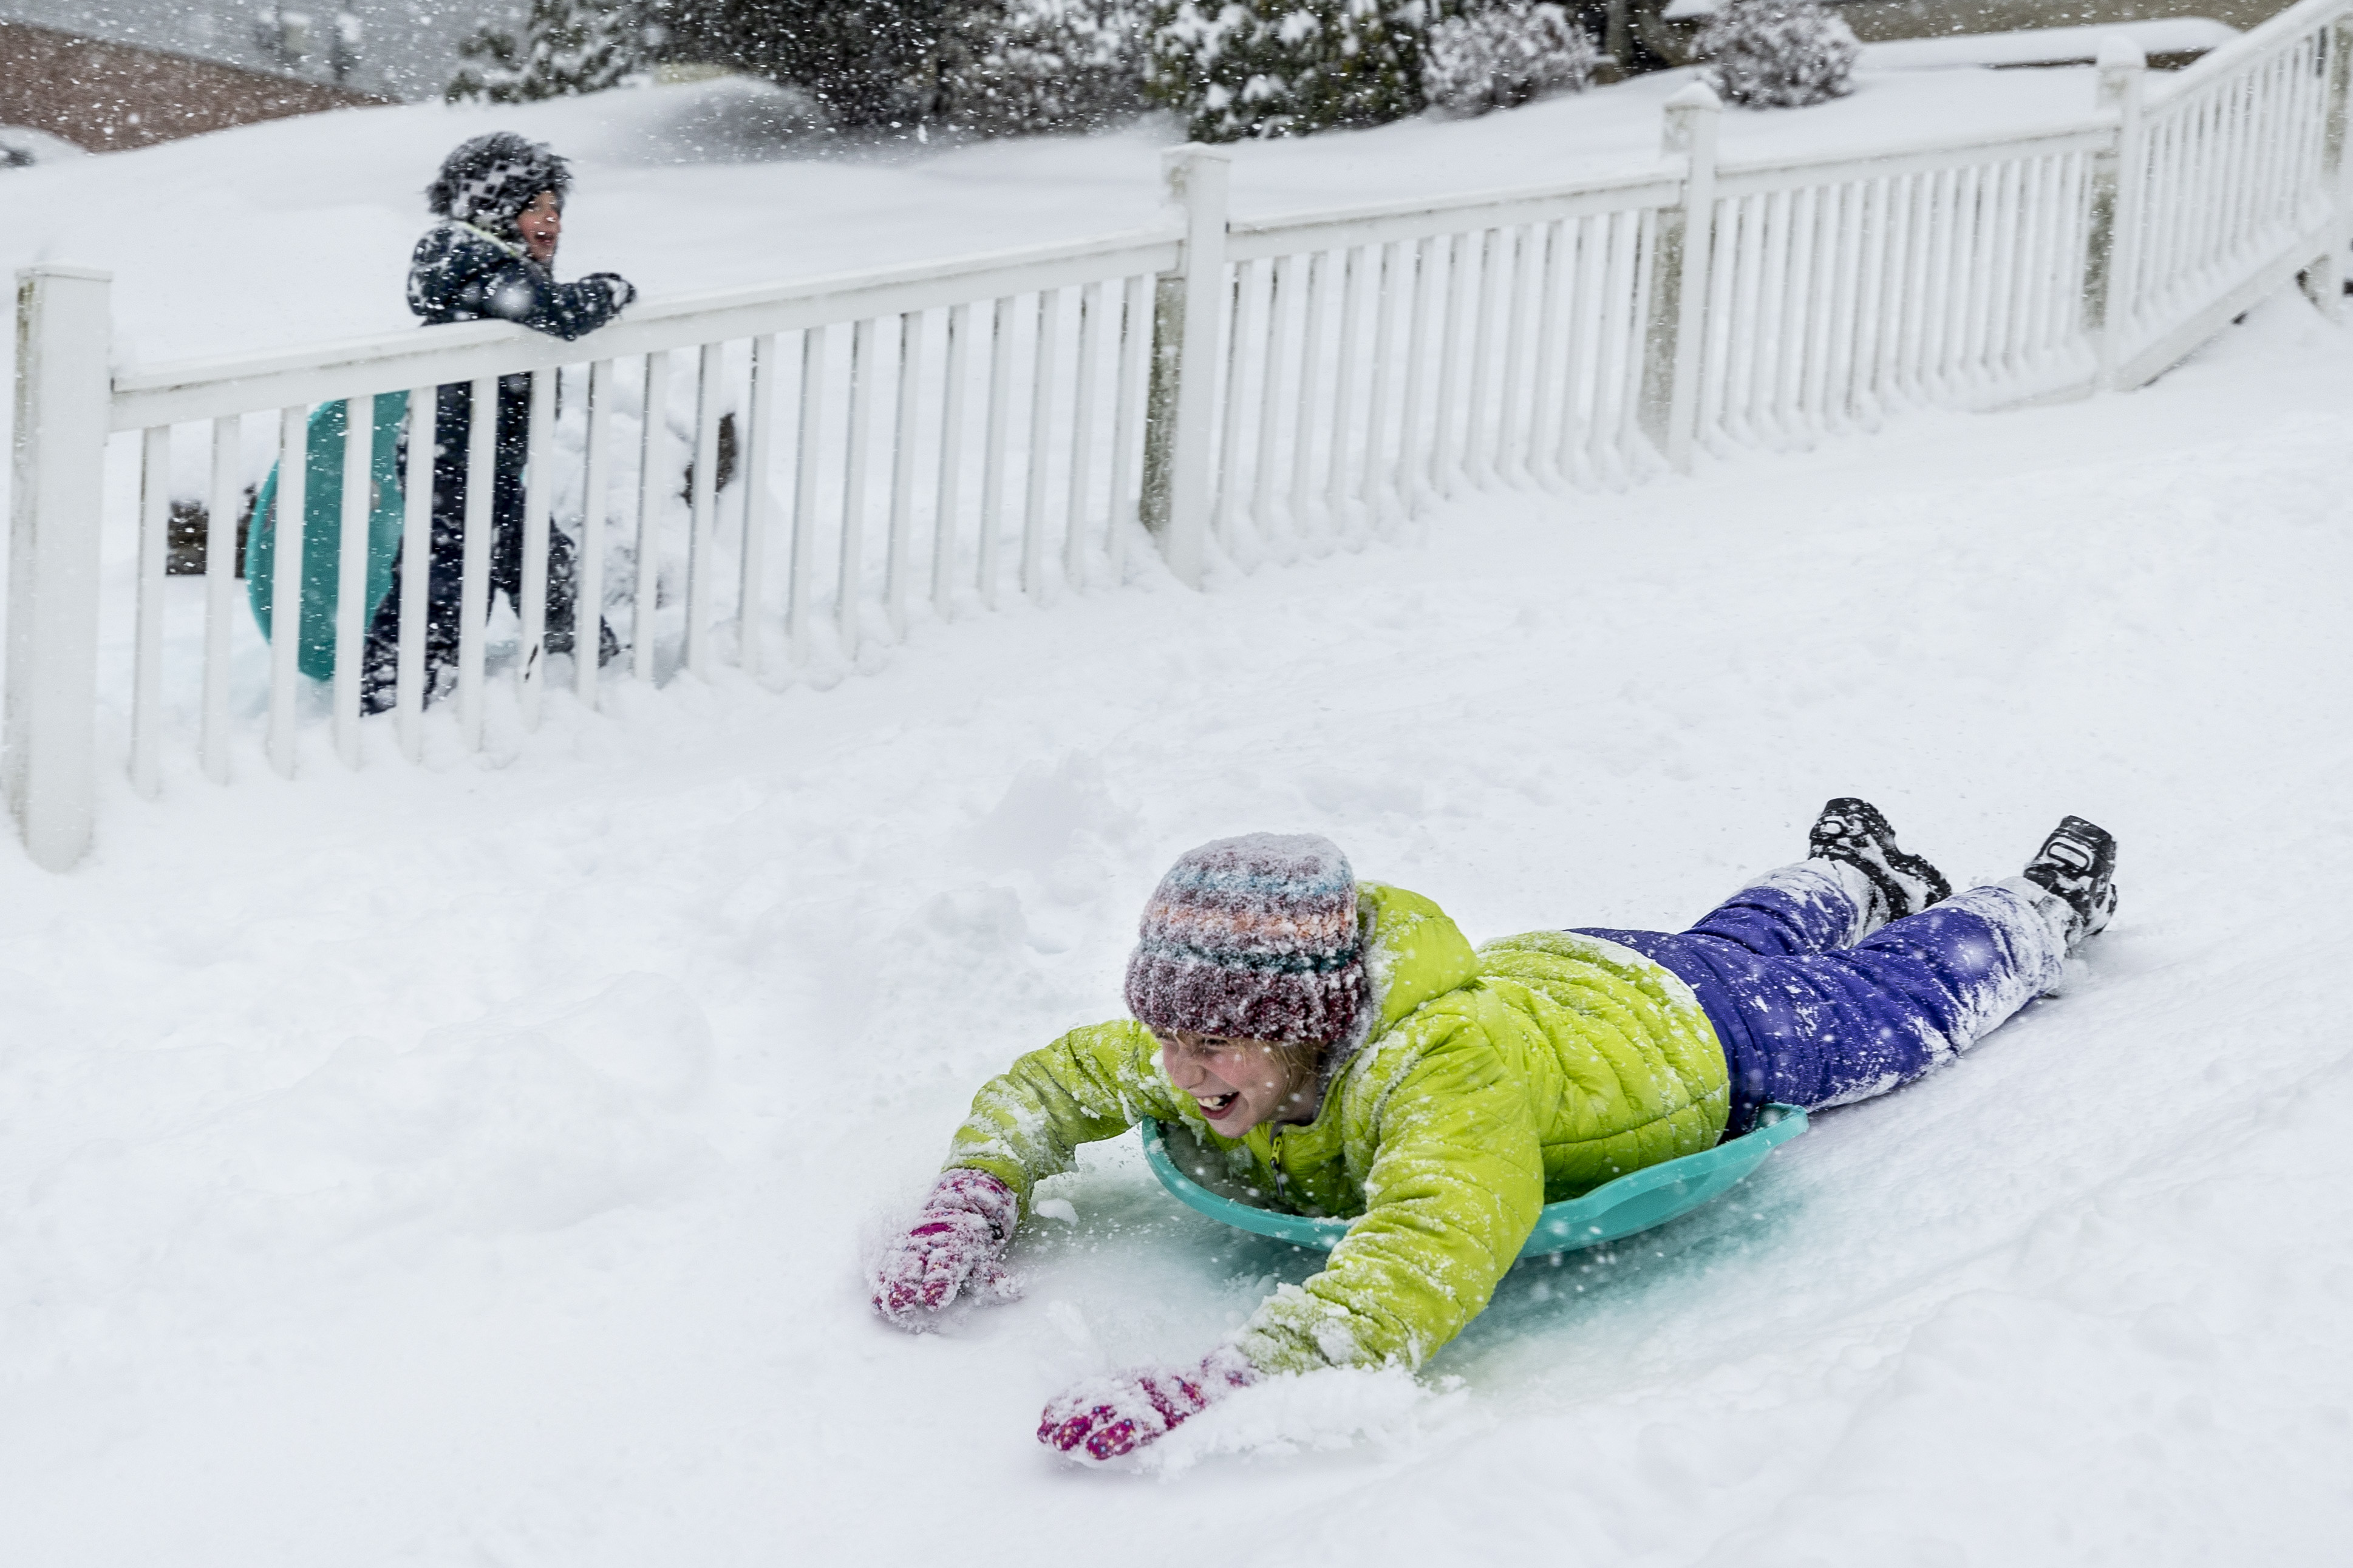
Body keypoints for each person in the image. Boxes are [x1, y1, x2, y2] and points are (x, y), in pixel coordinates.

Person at [871, 801, 2120, 1464]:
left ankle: (2031, 907)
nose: (1180, 1066)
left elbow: (1428, 1243)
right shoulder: (1199, 1058)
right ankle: (1844, 872)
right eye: (1168, 1035)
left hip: (1697, 1038)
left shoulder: (1434, 1074)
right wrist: (972, 1188)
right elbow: (1047, 1082)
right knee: (1727, 932)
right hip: (1568, 970)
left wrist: (1234, 1375)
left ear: (1305, 1026)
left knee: (1883, 1003)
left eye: (1215, 1041)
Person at [359, 132, 637, 713]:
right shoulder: (480, 267)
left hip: (482, 456)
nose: (551, 221)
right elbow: (553, 312)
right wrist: (608, 291)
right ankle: (393, 688)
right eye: (533, 207)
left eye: (555, 208)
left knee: (533, 554)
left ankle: (582, 652)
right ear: (492, 210)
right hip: (455, 458)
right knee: (445, 579)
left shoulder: (477, 265)